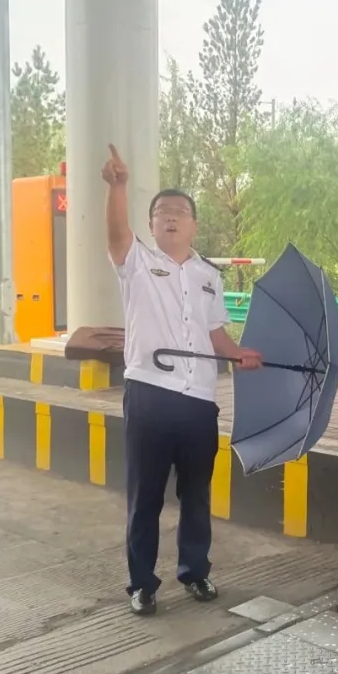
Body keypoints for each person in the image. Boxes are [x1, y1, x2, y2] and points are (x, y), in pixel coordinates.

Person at [102, 144, 262, 617]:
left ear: (194, 225)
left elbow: (216, 334)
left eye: (180, 212)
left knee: (196, 495)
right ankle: (141, 583)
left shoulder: (209, 276)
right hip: (150, 395)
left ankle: (195, 571)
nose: (171, 217)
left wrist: (238, 353)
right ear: (151, 225)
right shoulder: (136, 262)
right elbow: (116, 233)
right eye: (162, 212)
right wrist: (118, 187)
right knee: (145, 497)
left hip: (199, 401)